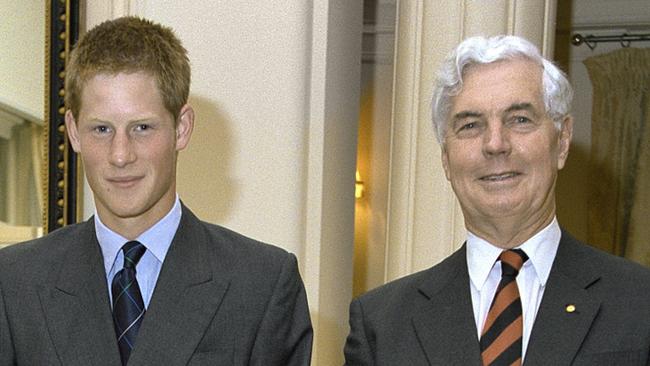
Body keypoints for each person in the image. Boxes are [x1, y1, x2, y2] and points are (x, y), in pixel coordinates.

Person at [0, 16, 312, 366]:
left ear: (182, 128)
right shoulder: (15, 283)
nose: (120, 155)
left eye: (142, 128)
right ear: (73, 132)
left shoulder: (261, 285)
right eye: (101, 129)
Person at [344, 35, 650, 365]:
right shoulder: (382, 324)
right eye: (471, 125)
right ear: (446, 158)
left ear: (561, 141)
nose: (495, 144)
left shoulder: (640, 301)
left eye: (519, 119)